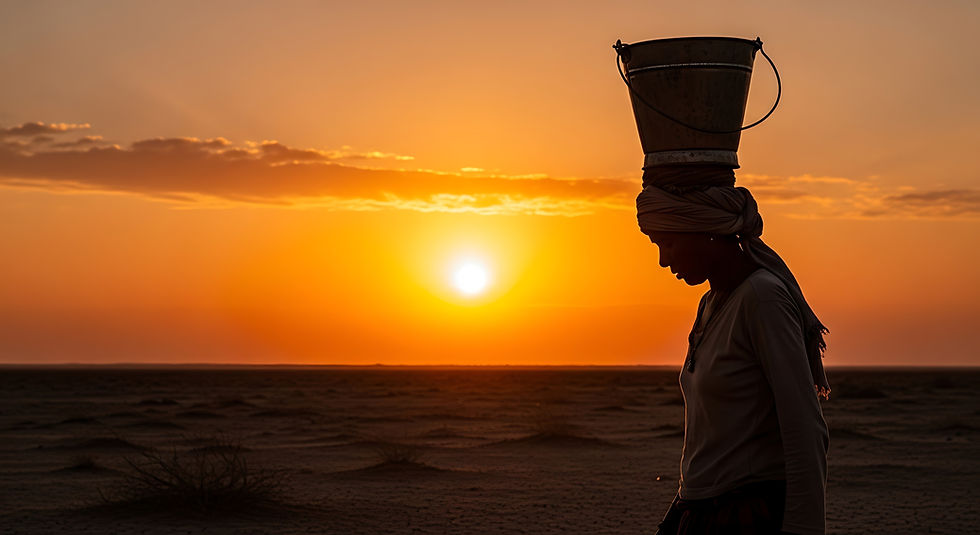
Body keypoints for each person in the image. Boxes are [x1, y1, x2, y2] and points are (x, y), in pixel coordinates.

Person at [638, 174, 830, 535]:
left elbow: (805, 427)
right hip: (698, 513)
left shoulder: (762, 297)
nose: (663, 260)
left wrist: (803, 529)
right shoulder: (709, 303)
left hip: (748, 516)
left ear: (706, 231)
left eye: (668, 243)